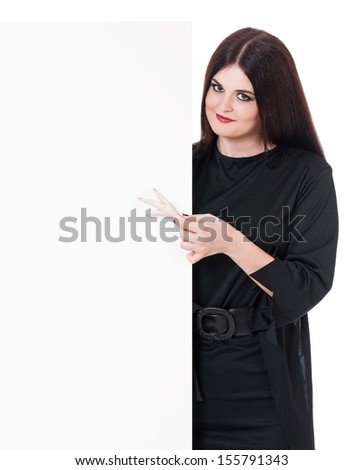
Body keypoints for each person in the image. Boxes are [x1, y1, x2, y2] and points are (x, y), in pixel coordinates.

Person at [140, 27, 338, 450]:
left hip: (262, 389)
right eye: (216, 87)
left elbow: (305, 288)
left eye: (243, 95)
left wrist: (231, 242)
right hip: (171, 387)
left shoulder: (306, 176)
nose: (222, 105)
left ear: (272, 100)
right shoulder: (179, 165)